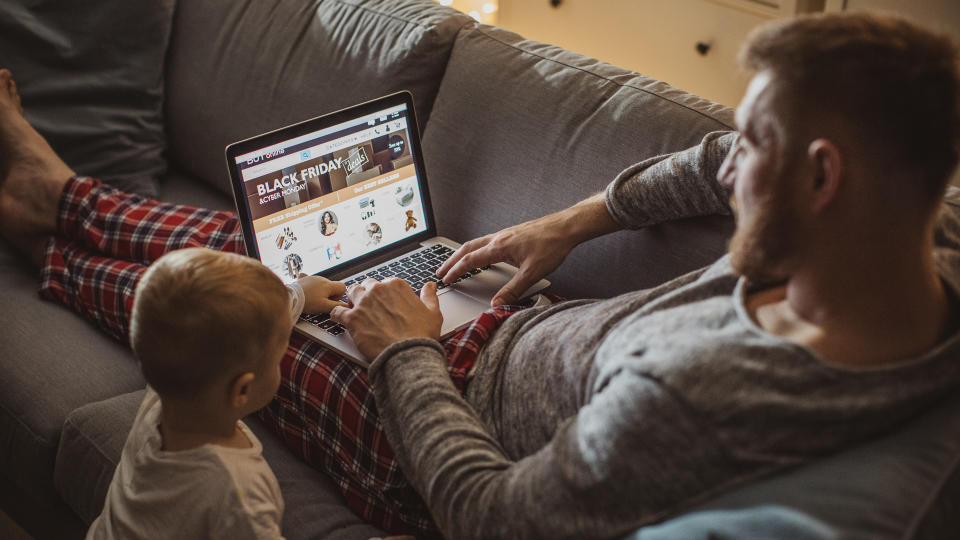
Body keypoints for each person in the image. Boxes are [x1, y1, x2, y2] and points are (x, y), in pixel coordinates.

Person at [1, 11, 959, 540]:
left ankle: (46, 231)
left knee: (235, 304)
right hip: (507, 324)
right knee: (270, 262)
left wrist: (407, 356)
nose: (729, 163)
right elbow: (708, 161)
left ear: (823, 176)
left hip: (434, 433)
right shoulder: (929, 242)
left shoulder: (699, 397)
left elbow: (493, 516)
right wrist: (573, 218)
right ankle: (58, 202)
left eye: (756, 145)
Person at [86, 247, 296, 539]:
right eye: (278, 359)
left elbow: (248, 326)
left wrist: (297, 295)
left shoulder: (162, 396)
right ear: (242, 389)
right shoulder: (238, 495)